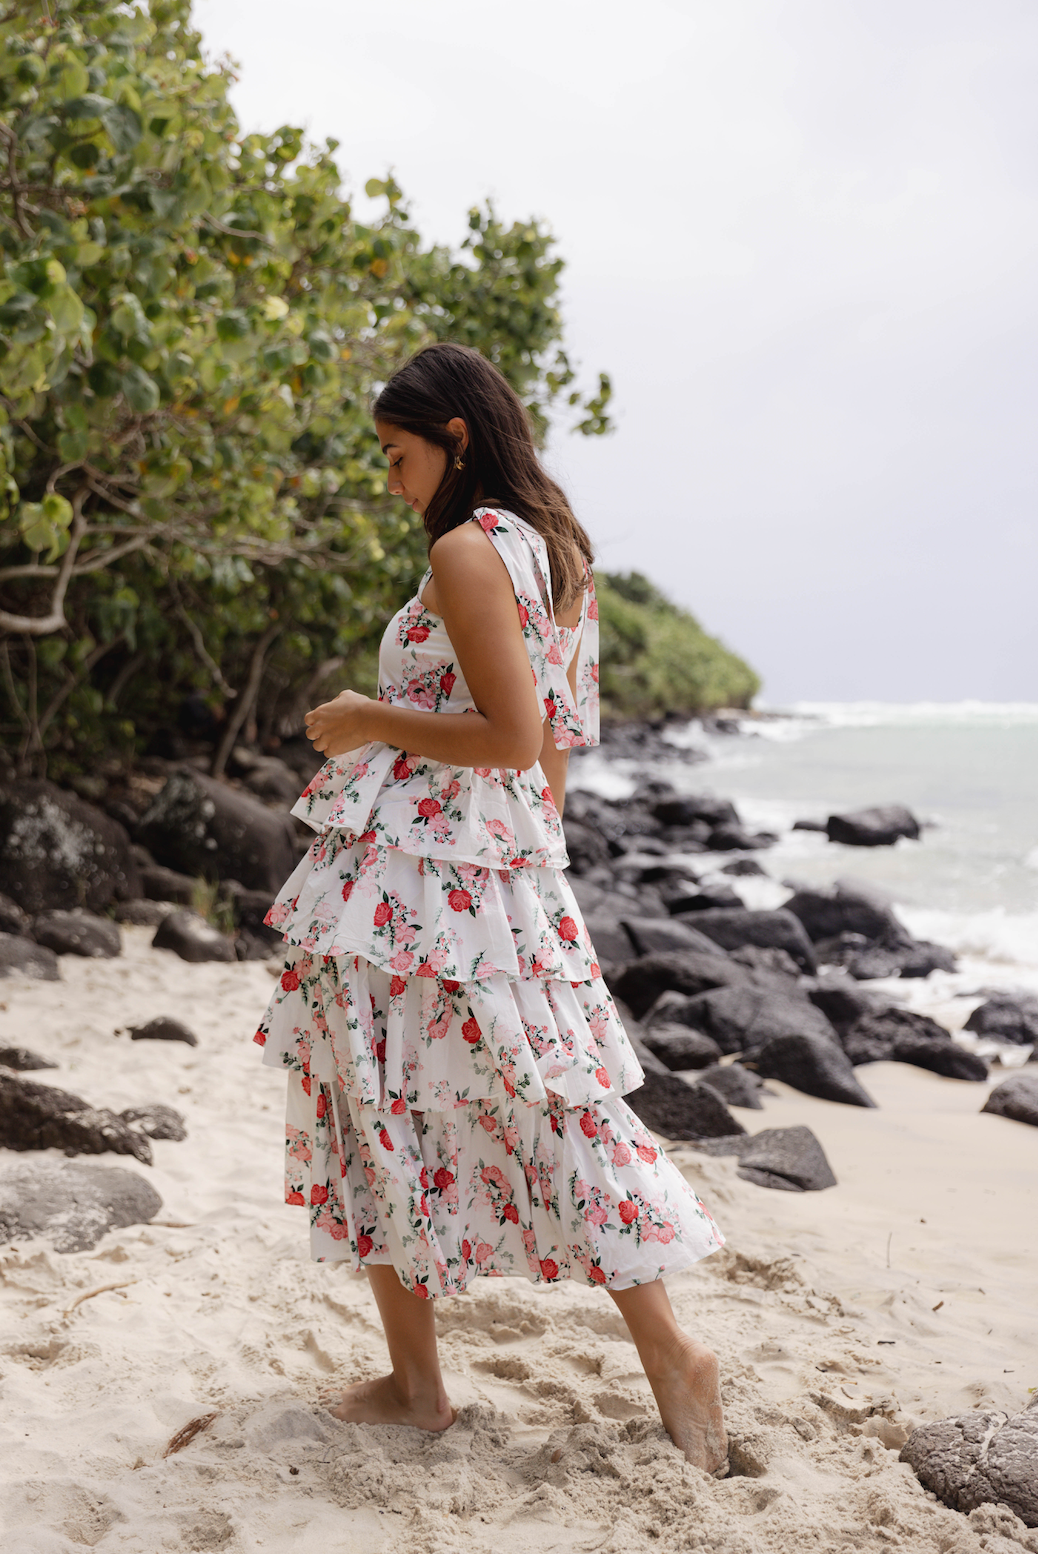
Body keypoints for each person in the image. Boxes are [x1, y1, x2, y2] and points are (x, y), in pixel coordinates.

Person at [254, 341, 728, 1473]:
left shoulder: (470, 553)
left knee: (375, 1103)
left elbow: (511, 735)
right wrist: (532, 879)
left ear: (455, 439)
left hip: (416, 881)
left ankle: (422, 1384)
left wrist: (371, 717)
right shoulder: (560, 553)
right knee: (551, 1106)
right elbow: (553, 754)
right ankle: (663, 1350)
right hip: (498, 880)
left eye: (397, 455)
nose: (392, 481)